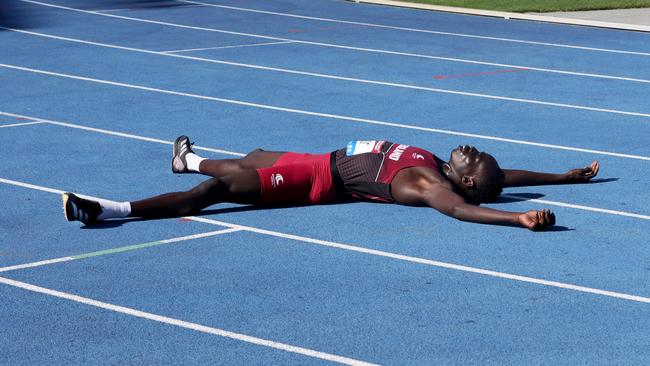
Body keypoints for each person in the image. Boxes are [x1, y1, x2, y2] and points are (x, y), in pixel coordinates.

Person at [63, 136, 599, 231]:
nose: (472, 150)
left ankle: (110, 210)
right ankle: (190, 160)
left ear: (462, 179)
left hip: (316, 180)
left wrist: (518, 217)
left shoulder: (426, 183)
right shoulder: (444, 166)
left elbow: (461, 210)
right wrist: (562, 177)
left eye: (474, 158)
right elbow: (503, 180)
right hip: (325, 159)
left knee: (218, 193)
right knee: (247, 159)